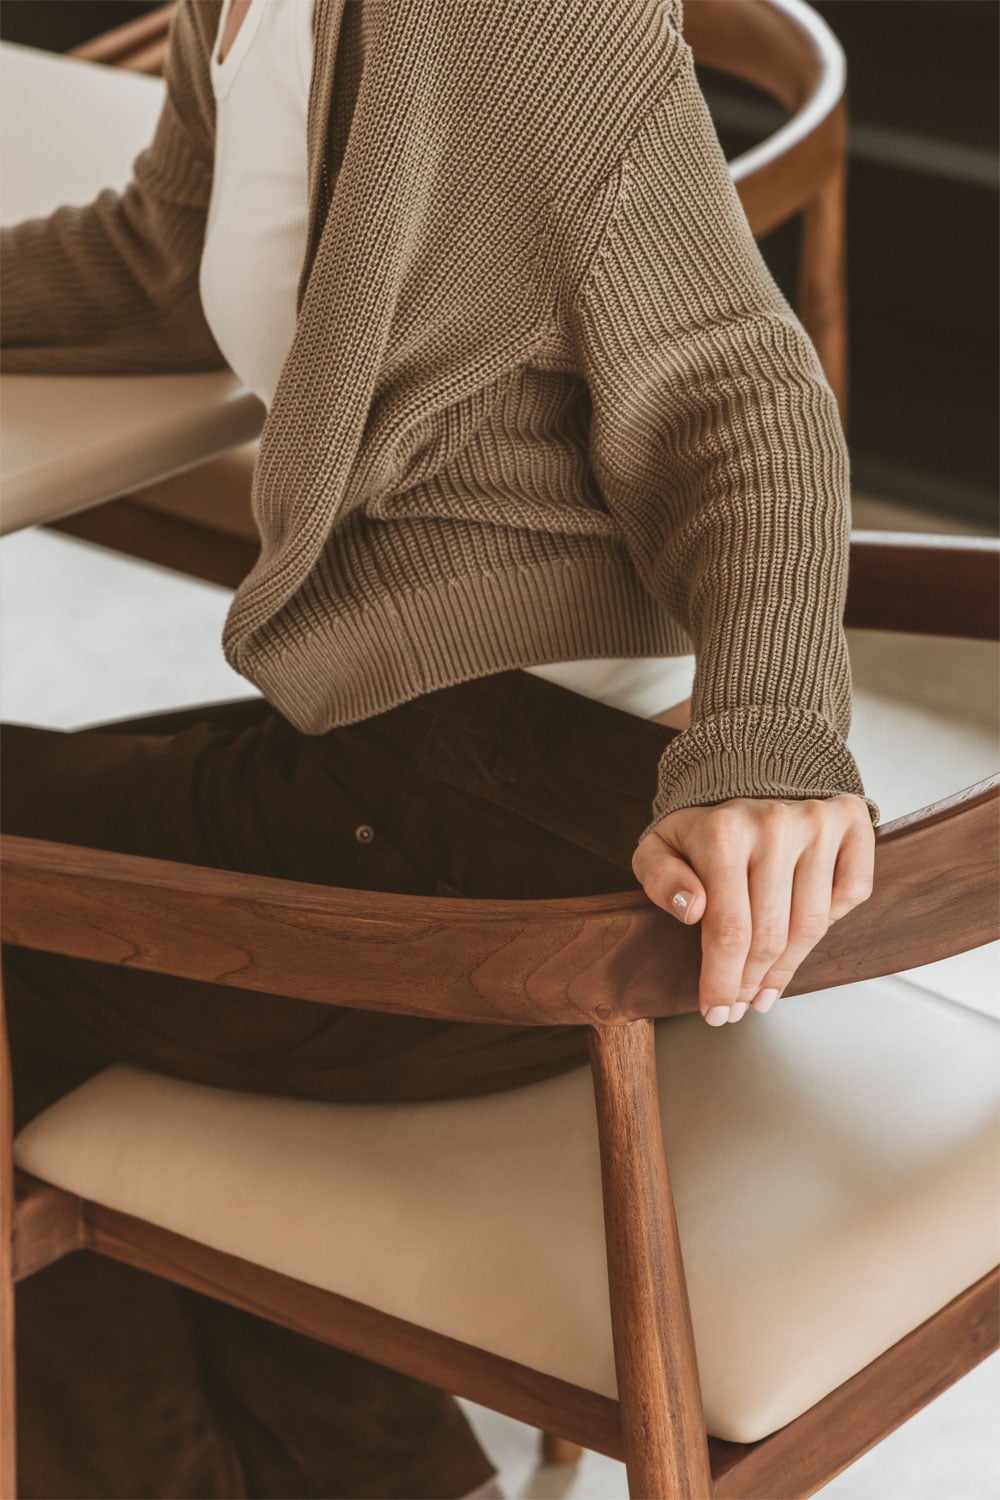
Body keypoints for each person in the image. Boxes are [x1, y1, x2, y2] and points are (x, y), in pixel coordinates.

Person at [0, 0, 880, 1494]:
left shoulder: (508, 16)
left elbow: (744, 390)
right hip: (403, 754)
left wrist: (771, 741)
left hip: (530, 835)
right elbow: (163, 256)